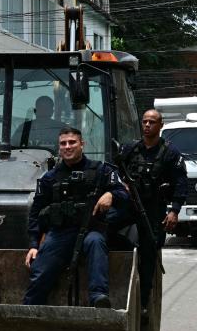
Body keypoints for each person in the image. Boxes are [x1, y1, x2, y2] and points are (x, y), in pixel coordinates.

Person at [23, 126, 128, 307]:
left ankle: (98, 297)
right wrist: (34, 244)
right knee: (40, 272)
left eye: (72, 142)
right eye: (63, 143)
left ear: (82, 145)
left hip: (91, 229)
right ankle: (28, 312)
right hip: (60, 233)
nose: (67, 146)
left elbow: (124, 194)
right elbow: (36, 212)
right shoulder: (50, 177)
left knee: (95, 242)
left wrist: (112, 195)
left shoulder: (101, 170)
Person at [118, 109, 187, 311]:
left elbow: (180, 183)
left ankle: (143, 304)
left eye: (152, 122)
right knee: (106, 229)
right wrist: (121, 185)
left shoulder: (170, 152)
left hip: (153, 210)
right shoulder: (130, 149)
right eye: (145, 121)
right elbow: (115, 172)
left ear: (160, 125)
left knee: (149, 254)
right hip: (129, 205)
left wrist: (174, 210)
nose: (147, 125)